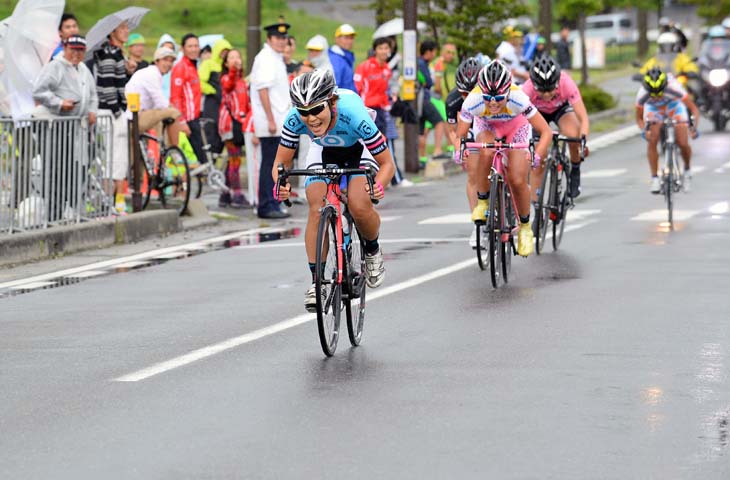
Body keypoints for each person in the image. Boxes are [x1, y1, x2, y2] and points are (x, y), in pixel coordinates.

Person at [272, 70, 395, 311]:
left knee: (360, 205)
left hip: (358, 148)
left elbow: (388, 164)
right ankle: (318, 283)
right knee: (316, 207)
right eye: (304, 112)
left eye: (317, 110)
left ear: (331, 101)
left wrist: (378, 186)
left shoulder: (354, 114)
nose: (311, 118)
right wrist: (281, 185)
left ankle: (372, 249)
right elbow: (281, 165)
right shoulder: (294, 118)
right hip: (323, 150)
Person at [455, 60, 552, 257]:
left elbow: (546, 132)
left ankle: (525, 227)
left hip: (517, 127)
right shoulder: (472, 101)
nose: (492, 103)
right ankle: (483, 202)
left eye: (499, 98)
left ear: (508, 91)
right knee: (486, 150)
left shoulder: (519, 98)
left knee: (517, 179)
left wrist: (538, 154)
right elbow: (461, 134)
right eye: (488, 97)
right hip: (487, 127)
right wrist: (459, 150)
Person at [32, 35, 98, 221]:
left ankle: (66, 210)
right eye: (73, 49)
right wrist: (60, 103)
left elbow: (92, 95)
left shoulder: (84, 69)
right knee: (55, 170)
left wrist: (92, 110)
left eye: (80, 50)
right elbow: (39, 91)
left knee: (72, 169)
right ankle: (53, 215)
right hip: (54, 126)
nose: (76, 54)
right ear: (65, 48)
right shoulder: (55, 66)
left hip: (75, 128)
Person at [522, 55, 590, 199]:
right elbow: (519, 120)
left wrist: (582, 140)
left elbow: (583, 117)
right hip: (537, 113)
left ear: (557, 83)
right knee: (539, 157)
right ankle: (537, 206)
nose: (547, 94)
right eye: (541, 90)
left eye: (551, 89)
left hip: (560, 110)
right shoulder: (526, 89)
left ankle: (575, 170)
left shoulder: (567, 83)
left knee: (572, 134)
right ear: (534, 85)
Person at [249, 21, 292, 219]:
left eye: (284, 38)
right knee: (270, 165)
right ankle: (266, 205)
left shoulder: (276, 57)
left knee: (277, 165)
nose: (281, 42)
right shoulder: (265, 58)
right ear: (269, 39)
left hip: (279, 120)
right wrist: (271, 119)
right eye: (277, 38)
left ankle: (273, 202)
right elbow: (263, 90)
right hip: (271, 122)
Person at [87, 20, 131, 214]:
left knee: (114, 160)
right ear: (112, 32)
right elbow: (106, 84)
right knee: (114, 160)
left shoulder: (116, 53)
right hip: (110, 111)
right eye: (122, 28)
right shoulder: (108, 54)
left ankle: (113, 203)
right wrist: (117, 110)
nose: (126, 31)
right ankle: (111, 204)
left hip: (110, 111)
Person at [635, 67, 699, 193]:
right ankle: (654, 179)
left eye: (660, 93)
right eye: (653, 94)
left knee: (683, 142)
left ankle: (687, 170)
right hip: (654, 109)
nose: (658, 97)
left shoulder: (674, 88)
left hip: (674, 107)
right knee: (652, 139)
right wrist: (644, 130)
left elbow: (694, 109)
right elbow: (639, 118)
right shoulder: (642, 94)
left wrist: (692, 127)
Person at [444, 57, 482, 247]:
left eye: (471, 92)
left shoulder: (491, 95)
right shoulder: (452, 101)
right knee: (473, 175)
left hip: (494, 127)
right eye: (463, 93)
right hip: (470, 131)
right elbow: (452, 130)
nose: (467, 97)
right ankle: (478, 225)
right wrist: (459, 148)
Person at [124, 47, 187, 147]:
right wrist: (181, 120)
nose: (168, 64)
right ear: (156, 61)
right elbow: (160, 103)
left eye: (171, 61)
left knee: (160, 120)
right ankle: (175, 151)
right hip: (135, 117)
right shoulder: (152, 74)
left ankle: (158, 156)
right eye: (165, 60)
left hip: (135, 116)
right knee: (174, 113)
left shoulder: (150, 72)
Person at [218, 49, 252, 209]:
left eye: (237, 56)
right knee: (235, 160)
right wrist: (233, 70)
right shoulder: (226, 78)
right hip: (229, 125)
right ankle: (237, 195)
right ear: (225, 64)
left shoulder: (243, 82)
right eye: (231, 58)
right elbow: (228, 84)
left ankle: (225, 195)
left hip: (239, 123)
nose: (236, 60)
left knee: (233, 159)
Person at [170, 33, 206, 166]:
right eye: (190, 46)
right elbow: (175, 97)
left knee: (202, 159)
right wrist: (181, 121)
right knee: (194, 160)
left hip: (195, 117)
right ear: (183, 48)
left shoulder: (193, 66)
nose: (194, 49)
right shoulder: (180, 67)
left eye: (196, 46)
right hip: (187, 120)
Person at [199, 38, 233, 155]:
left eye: (227, 52)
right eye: (222, 51)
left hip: (226, 105)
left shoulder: (228, 67)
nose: (224, 54)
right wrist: (212, 91)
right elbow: (200, 82)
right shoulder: (208, 64)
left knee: (224, 133)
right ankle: (210, 162)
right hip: (212, 102)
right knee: (211, 131)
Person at [354, 37, 392, 136]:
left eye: (386, 48)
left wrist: (387, 105)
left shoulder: (387, 69)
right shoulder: (364, 66)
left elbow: (384, 91)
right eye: (380, 48)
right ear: (375, 50)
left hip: (381, 110)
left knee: (382, 141)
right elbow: (356, 88)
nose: (383, 51)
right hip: (366, 109)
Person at [417, 40, 447, 166]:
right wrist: (428, 82)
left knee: (422, 130)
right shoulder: (421, 64)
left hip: (419, 101)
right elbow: (428, 82)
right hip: (423, 99)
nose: (434, 55)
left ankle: (422, 158)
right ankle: (437, 151)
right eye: (434, 52)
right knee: (439, 122)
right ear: (428, 52)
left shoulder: (419, 63)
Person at [329, 24, 357, 91]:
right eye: (346, 37)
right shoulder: (335, 59)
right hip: (341, 99)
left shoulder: (345, 57)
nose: (349, 41)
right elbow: (335, 86)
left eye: (351, 38)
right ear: (337, 39)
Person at [156, 34, 177, 101]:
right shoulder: (154, 69)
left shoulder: (178, 66)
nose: (168, 52)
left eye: (171, 48)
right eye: (165, 49)